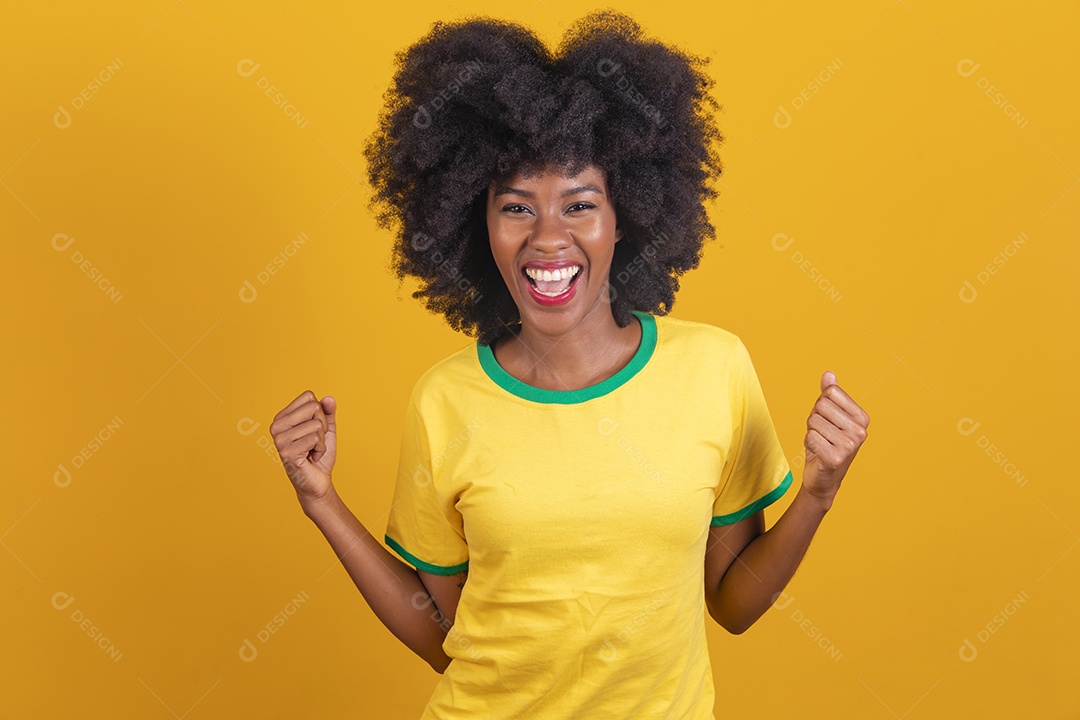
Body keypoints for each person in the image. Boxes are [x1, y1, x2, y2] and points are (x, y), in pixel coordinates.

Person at [270, 9, 869, 719]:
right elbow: (448, 638)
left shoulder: (714, 370)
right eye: (516, 208)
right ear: (475, 224)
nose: (548, 239)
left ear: (627, 217)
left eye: (579, 204)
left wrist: (818, 495)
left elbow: (734, 604)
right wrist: (322, 503)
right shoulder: (447, 400)